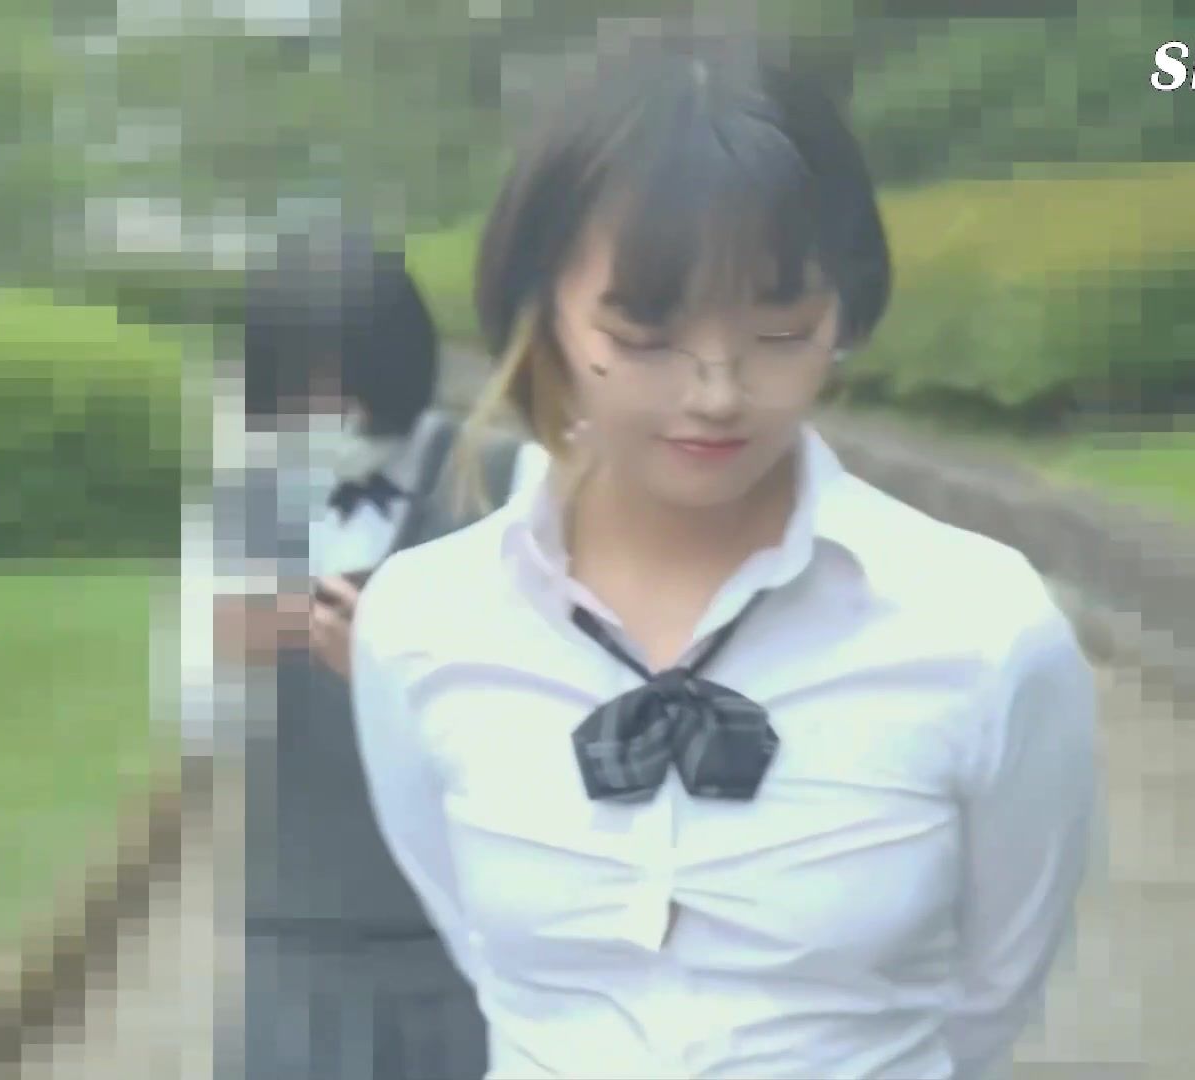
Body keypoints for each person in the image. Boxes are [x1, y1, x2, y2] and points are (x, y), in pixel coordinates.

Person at [348, 32, 1100, 1080]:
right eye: (645, 337)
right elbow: (485, 956)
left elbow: (994, 991)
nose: (716, 392)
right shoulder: (424, 624)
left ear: (848, 311)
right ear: (543, 305)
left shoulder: (983, 631)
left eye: (780, 331)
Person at [202, 210, 547, 1079]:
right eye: (297, 388)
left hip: (462, 936)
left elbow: (560, 695)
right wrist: (226, 649)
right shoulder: (248, 498)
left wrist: (398, 668)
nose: (325, 409)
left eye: (343, 381)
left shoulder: (509, 481)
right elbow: (195, 720)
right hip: (296, 933)